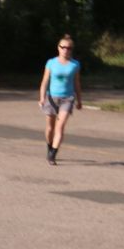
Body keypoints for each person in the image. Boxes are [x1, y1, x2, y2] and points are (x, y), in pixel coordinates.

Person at [39, 34, 83, 164]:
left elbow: (77, 83)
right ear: (58, 48)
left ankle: (53, 154)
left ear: (72, 49)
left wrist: (79, 100)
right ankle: (49, 146)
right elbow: (44, 81)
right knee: (50, 128)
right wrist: (41, 97)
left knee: (60, 126)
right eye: (63, 47)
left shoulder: (75, 65)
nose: (65, 50)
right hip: (51, 97)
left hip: (67, 98)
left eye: (68, 48)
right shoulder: (51, 63)